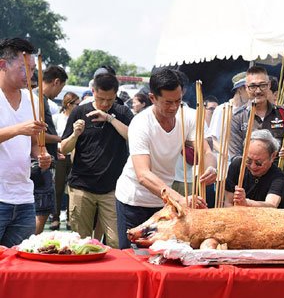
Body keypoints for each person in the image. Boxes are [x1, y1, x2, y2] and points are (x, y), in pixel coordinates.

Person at [115, 68, 217, 249]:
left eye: (178, 101)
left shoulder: (188, 116)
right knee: (135, 257)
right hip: (134, 200)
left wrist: (211, 169)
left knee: (164, 255)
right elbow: (143, 174)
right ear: (152, 98)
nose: (174, 107)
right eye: (168, 102)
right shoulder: (140, 123)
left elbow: (206, 152)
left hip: (164, 202)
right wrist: (180, 200)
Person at [60, 73, 133, 248]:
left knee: (116, 241)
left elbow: (133, 136)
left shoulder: (122, 112)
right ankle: (81, 275)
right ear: (93, 91)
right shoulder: (79, 111)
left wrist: (109, 118)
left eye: (110, 99)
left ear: (116, 94)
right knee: (80, 242)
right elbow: (64, 148)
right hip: (81, 186)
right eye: (101, 99)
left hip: (112, 188)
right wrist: (75, 135)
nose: (105, 103)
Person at [228, 66, 284, 207]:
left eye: (262, 85)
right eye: (253, 86)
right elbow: (235, 157)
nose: (258, 90)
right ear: (246, 88)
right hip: (250, 187)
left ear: (269, 85)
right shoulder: (238, 119)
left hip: (282, 184)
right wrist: (257, 162)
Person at [0, 37, 51, 247]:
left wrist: (42, 155)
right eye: (23, 68)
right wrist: (18, 129)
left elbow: (34, 144)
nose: (29, 75)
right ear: (3, 64)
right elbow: (22, 131)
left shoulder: (33, 100)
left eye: (32, 69)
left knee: (19, 266)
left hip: (23, 197)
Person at [33, 65, 68, 234]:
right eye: (61, 87)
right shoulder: (38, 99)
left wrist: (55, 149)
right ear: (56, 82)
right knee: (42, 209)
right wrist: (62, 138)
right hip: (39, 163)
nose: (59, 93)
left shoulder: (40, 99)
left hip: (45, 158)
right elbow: (36, 133)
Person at [225, 129, 284, 208]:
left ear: (273, 156)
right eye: (248, 160)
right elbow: (228, 203)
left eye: (258, 163)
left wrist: (246, 203)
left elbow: (271, 205)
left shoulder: (278, 176)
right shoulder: (237, 165)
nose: (253, 166)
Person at [52, 91, 80, 230]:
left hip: (74, 155)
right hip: (60, 155)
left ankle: (70, 218)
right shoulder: (57, 118)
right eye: (76, 104)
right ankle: (55, 217)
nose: (78, 106)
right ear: (69, 105)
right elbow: (53, 136)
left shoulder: (78, 119)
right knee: (58, 188)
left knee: (72, 189)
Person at [208, 71, 249, 154]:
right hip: (223, 161)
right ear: (240, 89)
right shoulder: (222, 109)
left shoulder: (249, 111)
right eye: (249, 88)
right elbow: (212, 139)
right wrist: (226, 154)